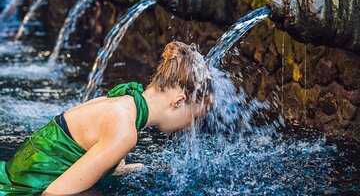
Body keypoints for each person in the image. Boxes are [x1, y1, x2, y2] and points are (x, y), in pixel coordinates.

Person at [0, 41, 212, 195]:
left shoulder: (123, 100)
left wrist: (114, 169)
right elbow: (55, 193)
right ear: (179, 101)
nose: (189, 126)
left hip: (17, 172)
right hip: (24, 189)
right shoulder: (125, 132)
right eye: (193, 117)